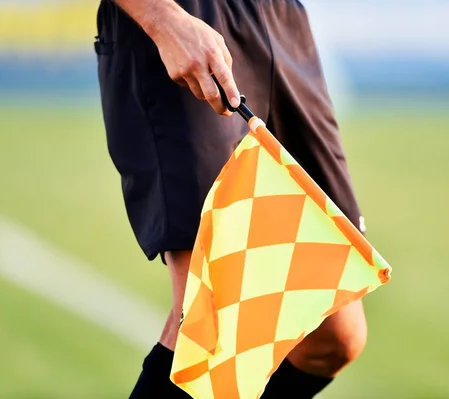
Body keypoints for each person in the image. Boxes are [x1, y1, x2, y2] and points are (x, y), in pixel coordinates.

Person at [94, 0, 368, 397]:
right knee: (214, 325)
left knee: (333, 336)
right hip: (187, 16)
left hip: (279, 19)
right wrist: (162, 18)